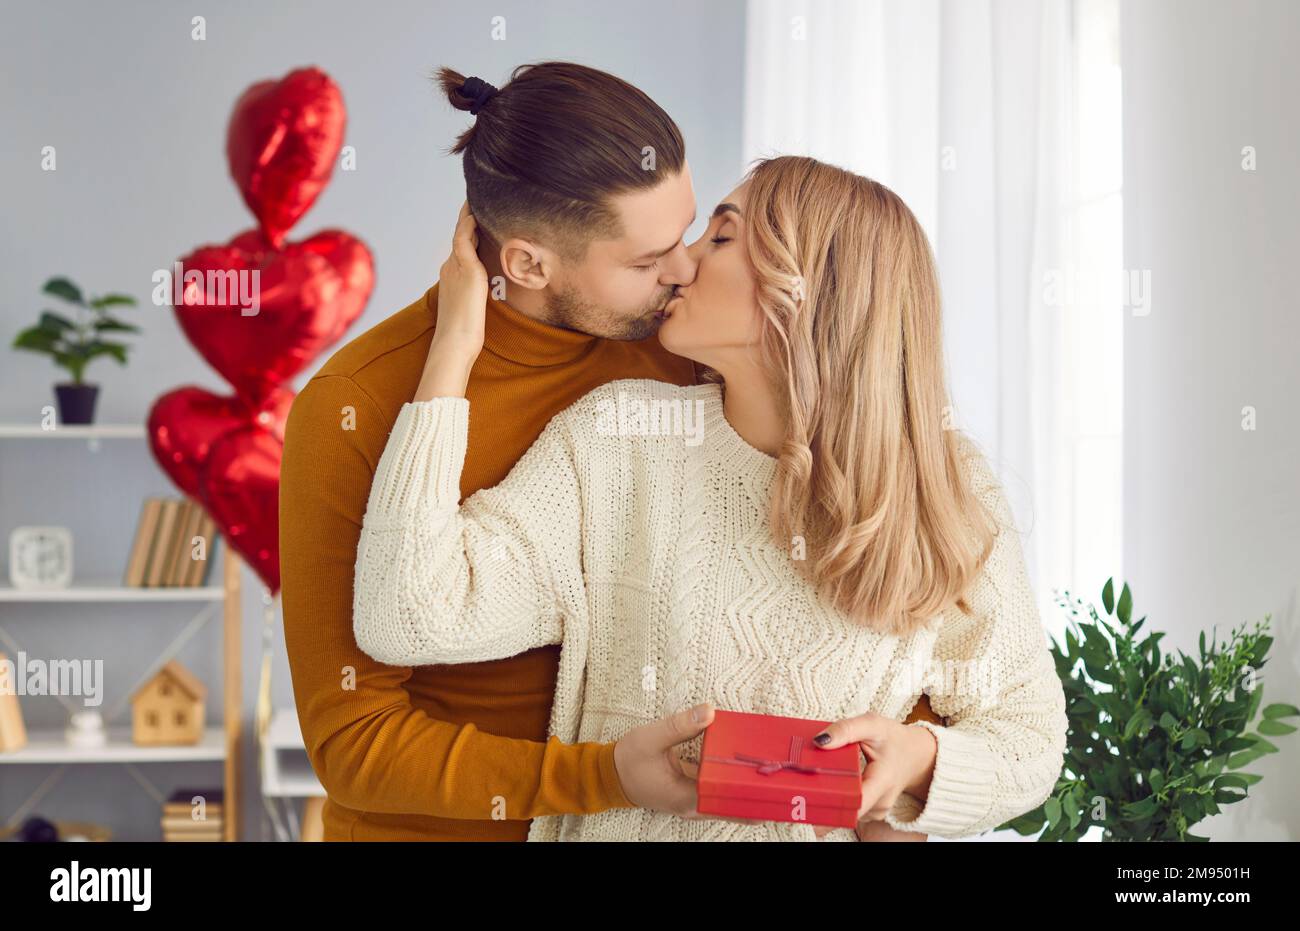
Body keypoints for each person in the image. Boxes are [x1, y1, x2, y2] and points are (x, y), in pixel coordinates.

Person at [280, 61, 946, 842]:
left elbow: (848, 590)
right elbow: (354, 742)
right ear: (528, 263)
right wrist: (597, 776)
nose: (687, 268)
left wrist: (896, 772)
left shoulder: (689, 353)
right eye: (645, 260)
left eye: (694, 230)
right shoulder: (353, 405)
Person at [351, 155, 1070, 841]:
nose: (684, 261)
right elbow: (410, 615)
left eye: (720, 236)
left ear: (806, 288)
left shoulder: (943, 486)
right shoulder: (620, 439)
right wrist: (456, 343)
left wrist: (919, 760)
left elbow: (1030, 738)